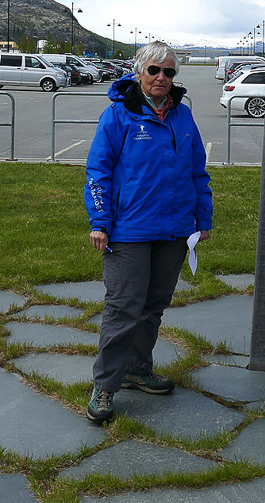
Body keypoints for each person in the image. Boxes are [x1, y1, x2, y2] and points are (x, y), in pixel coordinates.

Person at [83, 41, 212, 423]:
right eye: (154, 70)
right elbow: (98, 173)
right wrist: (100, 221)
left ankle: (138, 369)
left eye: (169, 72)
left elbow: (197, 171)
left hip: (173, 232)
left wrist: (202, 219)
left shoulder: (183, 117)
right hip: (129, 231)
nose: (162, 78)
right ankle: (105, 385)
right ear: (138, 72)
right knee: (123, 310)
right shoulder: (118, 116)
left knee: (153, 308)